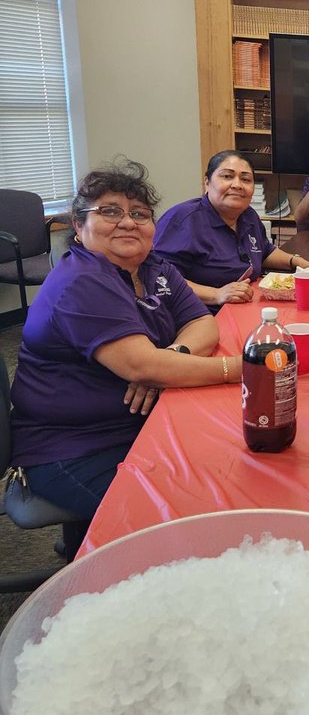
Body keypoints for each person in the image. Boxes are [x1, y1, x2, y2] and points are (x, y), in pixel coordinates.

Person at [9, 159, 245, 556]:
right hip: (74, 449)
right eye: (109, 211)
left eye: (139, 213)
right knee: (196, 521)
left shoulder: (153, 267)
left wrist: (171, 358)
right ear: (78, 226)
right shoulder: (82, 280)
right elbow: (140, 366)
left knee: (228, 461)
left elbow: (203, 324)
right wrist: (241, 369)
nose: (128, 222)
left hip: (137, 427)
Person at [154, 151, 309, 309]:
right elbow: (159, 277)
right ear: (207, 182)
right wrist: (216, 294)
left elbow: (264, 251)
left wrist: (299, 263)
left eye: (246, 179)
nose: (237, 185)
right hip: (203, 313)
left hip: (246, 304)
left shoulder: (248, 215)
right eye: (227, 176)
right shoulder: (182, 220)